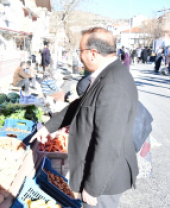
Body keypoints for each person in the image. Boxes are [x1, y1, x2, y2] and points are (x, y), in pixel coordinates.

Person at [31, 27, 139, 208]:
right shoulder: (105, 74)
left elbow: (108, 143)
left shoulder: (113, 84)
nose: (79, 56)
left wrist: (93, 186)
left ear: (93, 53)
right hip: (99, 173)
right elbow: (80, 105)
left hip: (105, 181)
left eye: (80, 51)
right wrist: (49, 127)